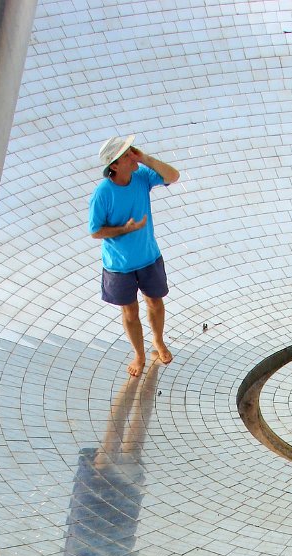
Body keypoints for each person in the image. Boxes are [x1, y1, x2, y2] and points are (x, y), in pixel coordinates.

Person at [89, 135, 180, 377]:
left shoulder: (141, 177)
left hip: (148, 256)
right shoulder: (103, 193)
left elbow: (173, 176)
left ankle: (158, 340)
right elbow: (96, 231)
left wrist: (145, 159)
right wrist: (124, 229)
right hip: (119, 265)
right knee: (130, 311)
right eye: (127, 155)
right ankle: (139, 354)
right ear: (114, 165)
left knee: (155, 302)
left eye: (132, 151)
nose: (132, 157)